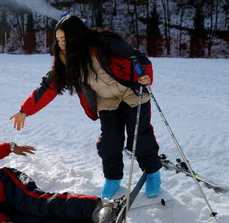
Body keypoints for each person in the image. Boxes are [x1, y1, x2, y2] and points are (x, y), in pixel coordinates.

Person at [10, 15, 161, 200]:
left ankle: (152, 173)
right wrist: (25, 110)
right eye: (58, 40)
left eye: (64, 39)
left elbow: (138, 58)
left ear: (77, 35)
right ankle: (112, 178)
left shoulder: (104, 43)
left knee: (139, 138)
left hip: (131, 92)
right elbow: (48, 87)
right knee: (110, 141)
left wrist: (145, 75)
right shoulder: (66, 60)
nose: (61, 44)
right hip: (106, 99)